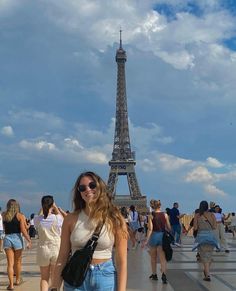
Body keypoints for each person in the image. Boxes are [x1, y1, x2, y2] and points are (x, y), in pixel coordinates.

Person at [51, 171, 128, 291]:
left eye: (92, 185)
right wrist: (54, 286)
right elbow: (62, 256)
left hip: (104, 276)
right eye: (82, 188)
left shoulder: (115, 219)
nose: (88, 190)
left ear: (100, 187)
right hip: (75, 276)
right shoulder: (70, 219)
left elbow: (121, 261)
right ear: (79, 192)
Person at [34, 196, 65, 291]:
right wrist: (55, 207)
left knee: (44, 278)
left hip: (43, 249)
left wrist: (43, 208)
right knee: (55, 278)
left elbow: (39, 216)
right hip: (55, 248)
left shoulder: (37, 219)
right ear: (53, 204)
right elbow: (62, 218)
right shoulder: (57, 218)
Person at [2, 199, 32, 290]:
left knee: (10, 264)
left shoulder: (4, 215)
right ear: (17, 206)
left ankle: (11, 285)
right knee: (18, 261)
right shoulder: (20, 216)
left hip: (7, 238)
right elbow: (23, 230)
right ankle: (18, 280)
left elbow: (4, 228)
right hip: (17, 239)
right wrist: (29, 240)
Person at [142, 199, 171, 284]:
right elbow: (169, 227)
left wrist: (146, 240)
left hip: (154, 236)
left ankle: (154, 274)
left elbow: (150, 229)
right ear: (160, 206)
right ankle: (164, 275)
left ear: (152, 206)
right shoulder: (165, 215)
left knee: (153, 258)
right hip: (162, 236)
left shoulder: (151, 215)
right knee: (162, 258)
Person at [192, 200, 219, 281]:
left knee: (204, 257)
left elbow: (195, 228)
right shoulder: (212, 215)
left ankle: (207, 275)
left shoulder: (197, 215)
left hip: (201, 237)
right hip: (211, 237)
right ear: (207, 206)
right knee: (209, 256)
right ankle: (206, 271)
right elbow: (214, 227)